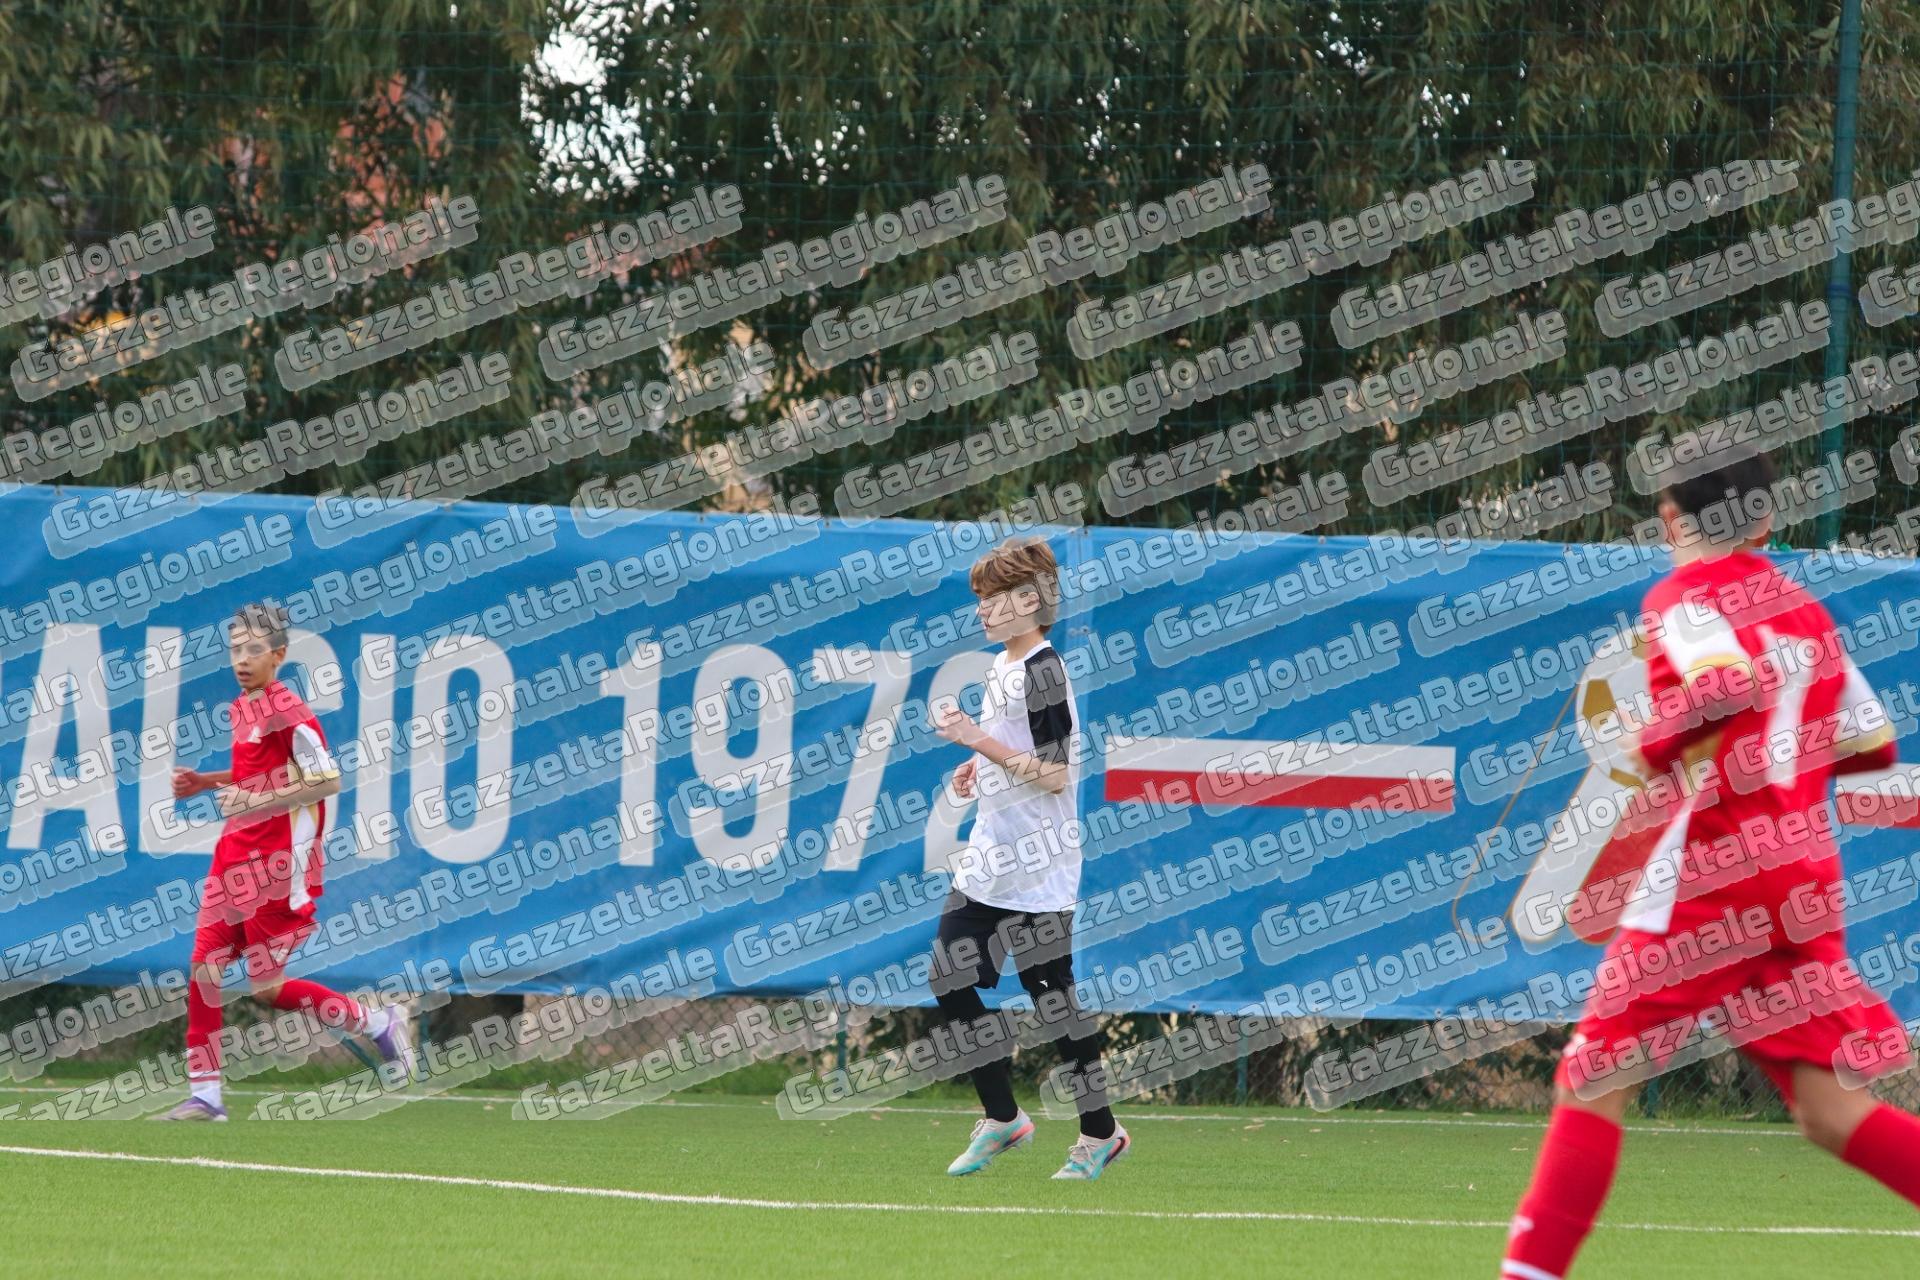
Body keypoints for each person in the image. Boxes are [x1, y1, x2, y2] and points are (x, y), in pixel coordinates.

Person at [1500, 445, 1920, 1277]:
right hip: (1802, 879)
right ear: (1765, 522)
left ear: (1669, 520)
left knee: (1591, 1080)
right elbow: (1873, 741)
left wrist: (1655, 744)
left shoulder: (1685, 596)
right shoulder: (1805, 613)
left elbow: (1723, 687)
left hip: (1715, 873)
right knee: (1832, 1111)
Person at [157, 601, 413, 1120]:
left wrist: (253, 799)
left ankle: (377, 1023)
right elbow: (255, 773)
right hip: (232, 858)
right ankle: (206, 1095)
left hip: (274, 868)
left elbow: (327, 779)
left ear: (278, 655)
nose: (241, 659)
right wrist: (207, 782)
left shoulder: (289, 711)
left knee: (268, 989)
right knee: (204, 971)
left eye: (253, 649)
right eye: (235, 649)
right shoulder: (242, 706)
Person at [928, 536, 1129, 1180]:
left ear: (1029, 601)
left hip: (1040, 862)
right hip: (992, 856)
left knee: (1053, 1001)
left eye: (993, 598)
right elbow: (1012, 750)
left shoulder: (1044, 669)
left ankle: (1100, 1133)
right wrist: (976, 763)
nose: (982, 609)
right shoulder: (1002, 666)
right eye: (981, 598)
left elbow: (1055, 774)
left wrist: (976, 739)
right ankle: (1004, 1118)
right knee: (949, 978)